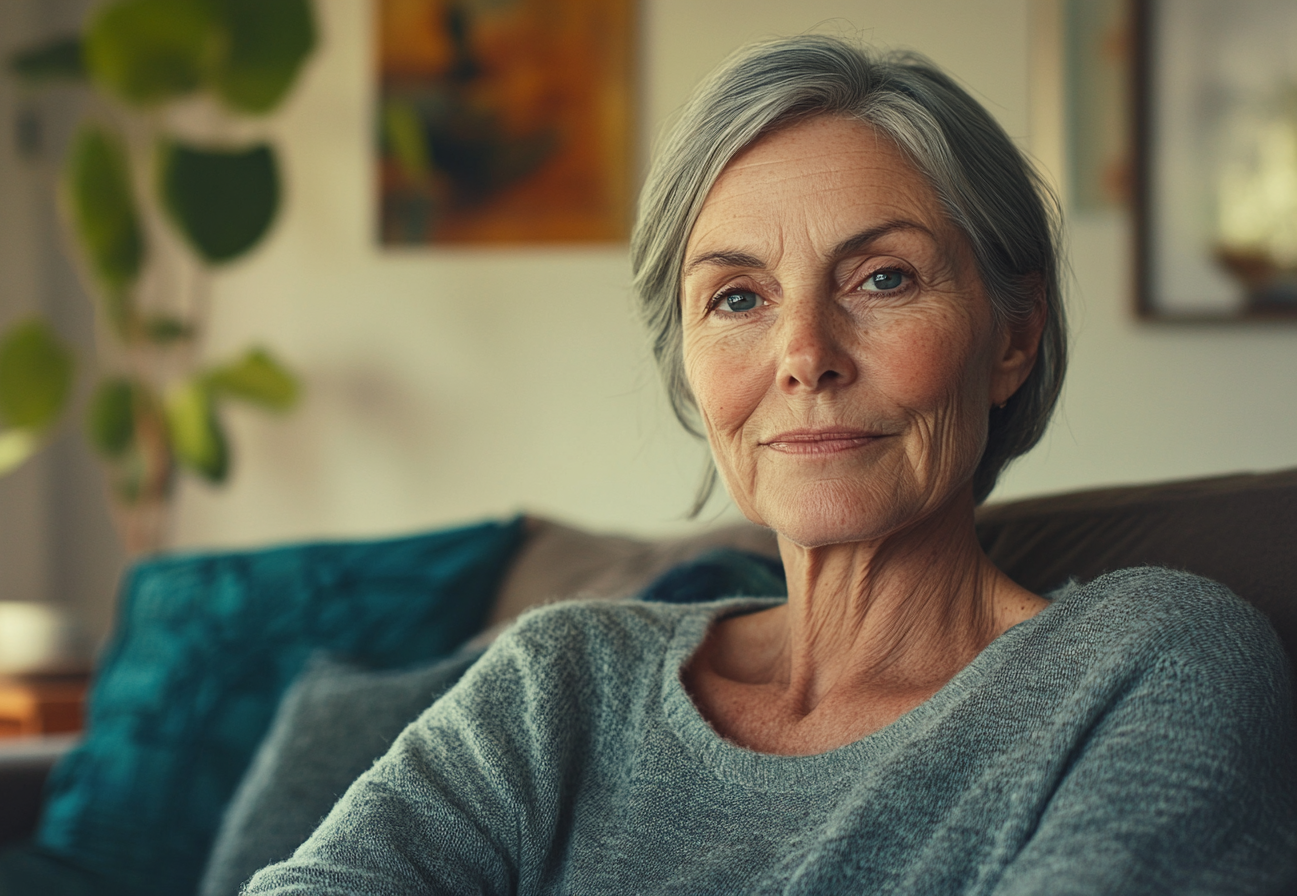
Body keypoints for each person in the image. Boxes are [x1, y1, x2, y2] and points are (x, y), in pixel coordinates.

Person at [244, 35, 1296, 895]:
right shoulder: (559, 682)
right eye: (738, 297)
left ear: (1013, 337)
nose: (804, 355)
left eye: (883, 278)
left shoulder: (1147, 663)